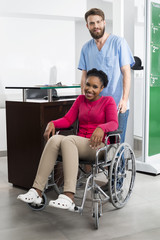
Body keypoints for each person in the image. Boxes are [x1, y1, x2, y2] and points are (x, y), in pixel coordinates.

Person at [17, 68, 118, 211]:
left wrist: (102, 128)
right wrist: (52, 123)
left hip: (97, 146)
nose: (89, 89)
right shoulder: (80, 100)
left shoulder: (108, 101)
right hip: (78, 143)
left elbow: (114, 123)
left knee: (68, 139)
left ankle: (69, 196)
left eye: (95, 87)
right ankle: (37, 191)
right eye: (87, 84)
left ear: (102, 88)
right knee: (55, 139)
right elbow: (68, 119)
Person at [78, 8, 135, 143]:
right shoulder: (86, 48)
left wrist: (124, 100)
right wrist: (83, 99)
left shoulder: (118, 43)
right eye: (92, 23)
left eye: (98, 22)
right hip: (96, 106)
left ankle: (119, 165)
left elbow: (126, 73)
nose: (96, 26)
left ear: (104, 22)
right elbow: (84, 77)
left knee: (116, 145)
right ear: (87, 26)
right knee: (98, 144)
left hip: (117, 105)